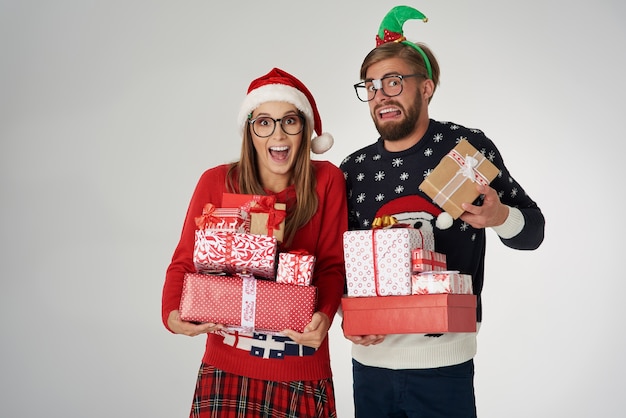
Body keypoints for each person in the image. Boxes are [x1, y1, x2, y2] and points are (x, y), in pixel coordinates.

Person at [340, 6, 545, 418]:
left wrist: (500, 217)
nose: (381, 94)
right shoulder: (353, 170)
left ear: (427, 87)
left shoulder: (465, 148)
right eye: (371, 85)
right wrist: (347, 314)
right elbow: (337, 261)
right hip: (370, 368)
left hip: (444, 365)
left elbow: (533, 231)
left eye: (394, 81)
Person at [162, 67, 347, 418]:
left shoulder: (328, 181)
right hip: (227, 366)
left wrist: (323, 316)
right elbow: (185, 262)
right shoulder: (217, 181)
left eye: (289, 121)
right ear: (250, 131)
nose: (278, 133)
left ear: (305, 129)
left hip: (299, 367)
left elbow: (331, 267)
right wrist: (173, 315)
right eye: (264, 122)